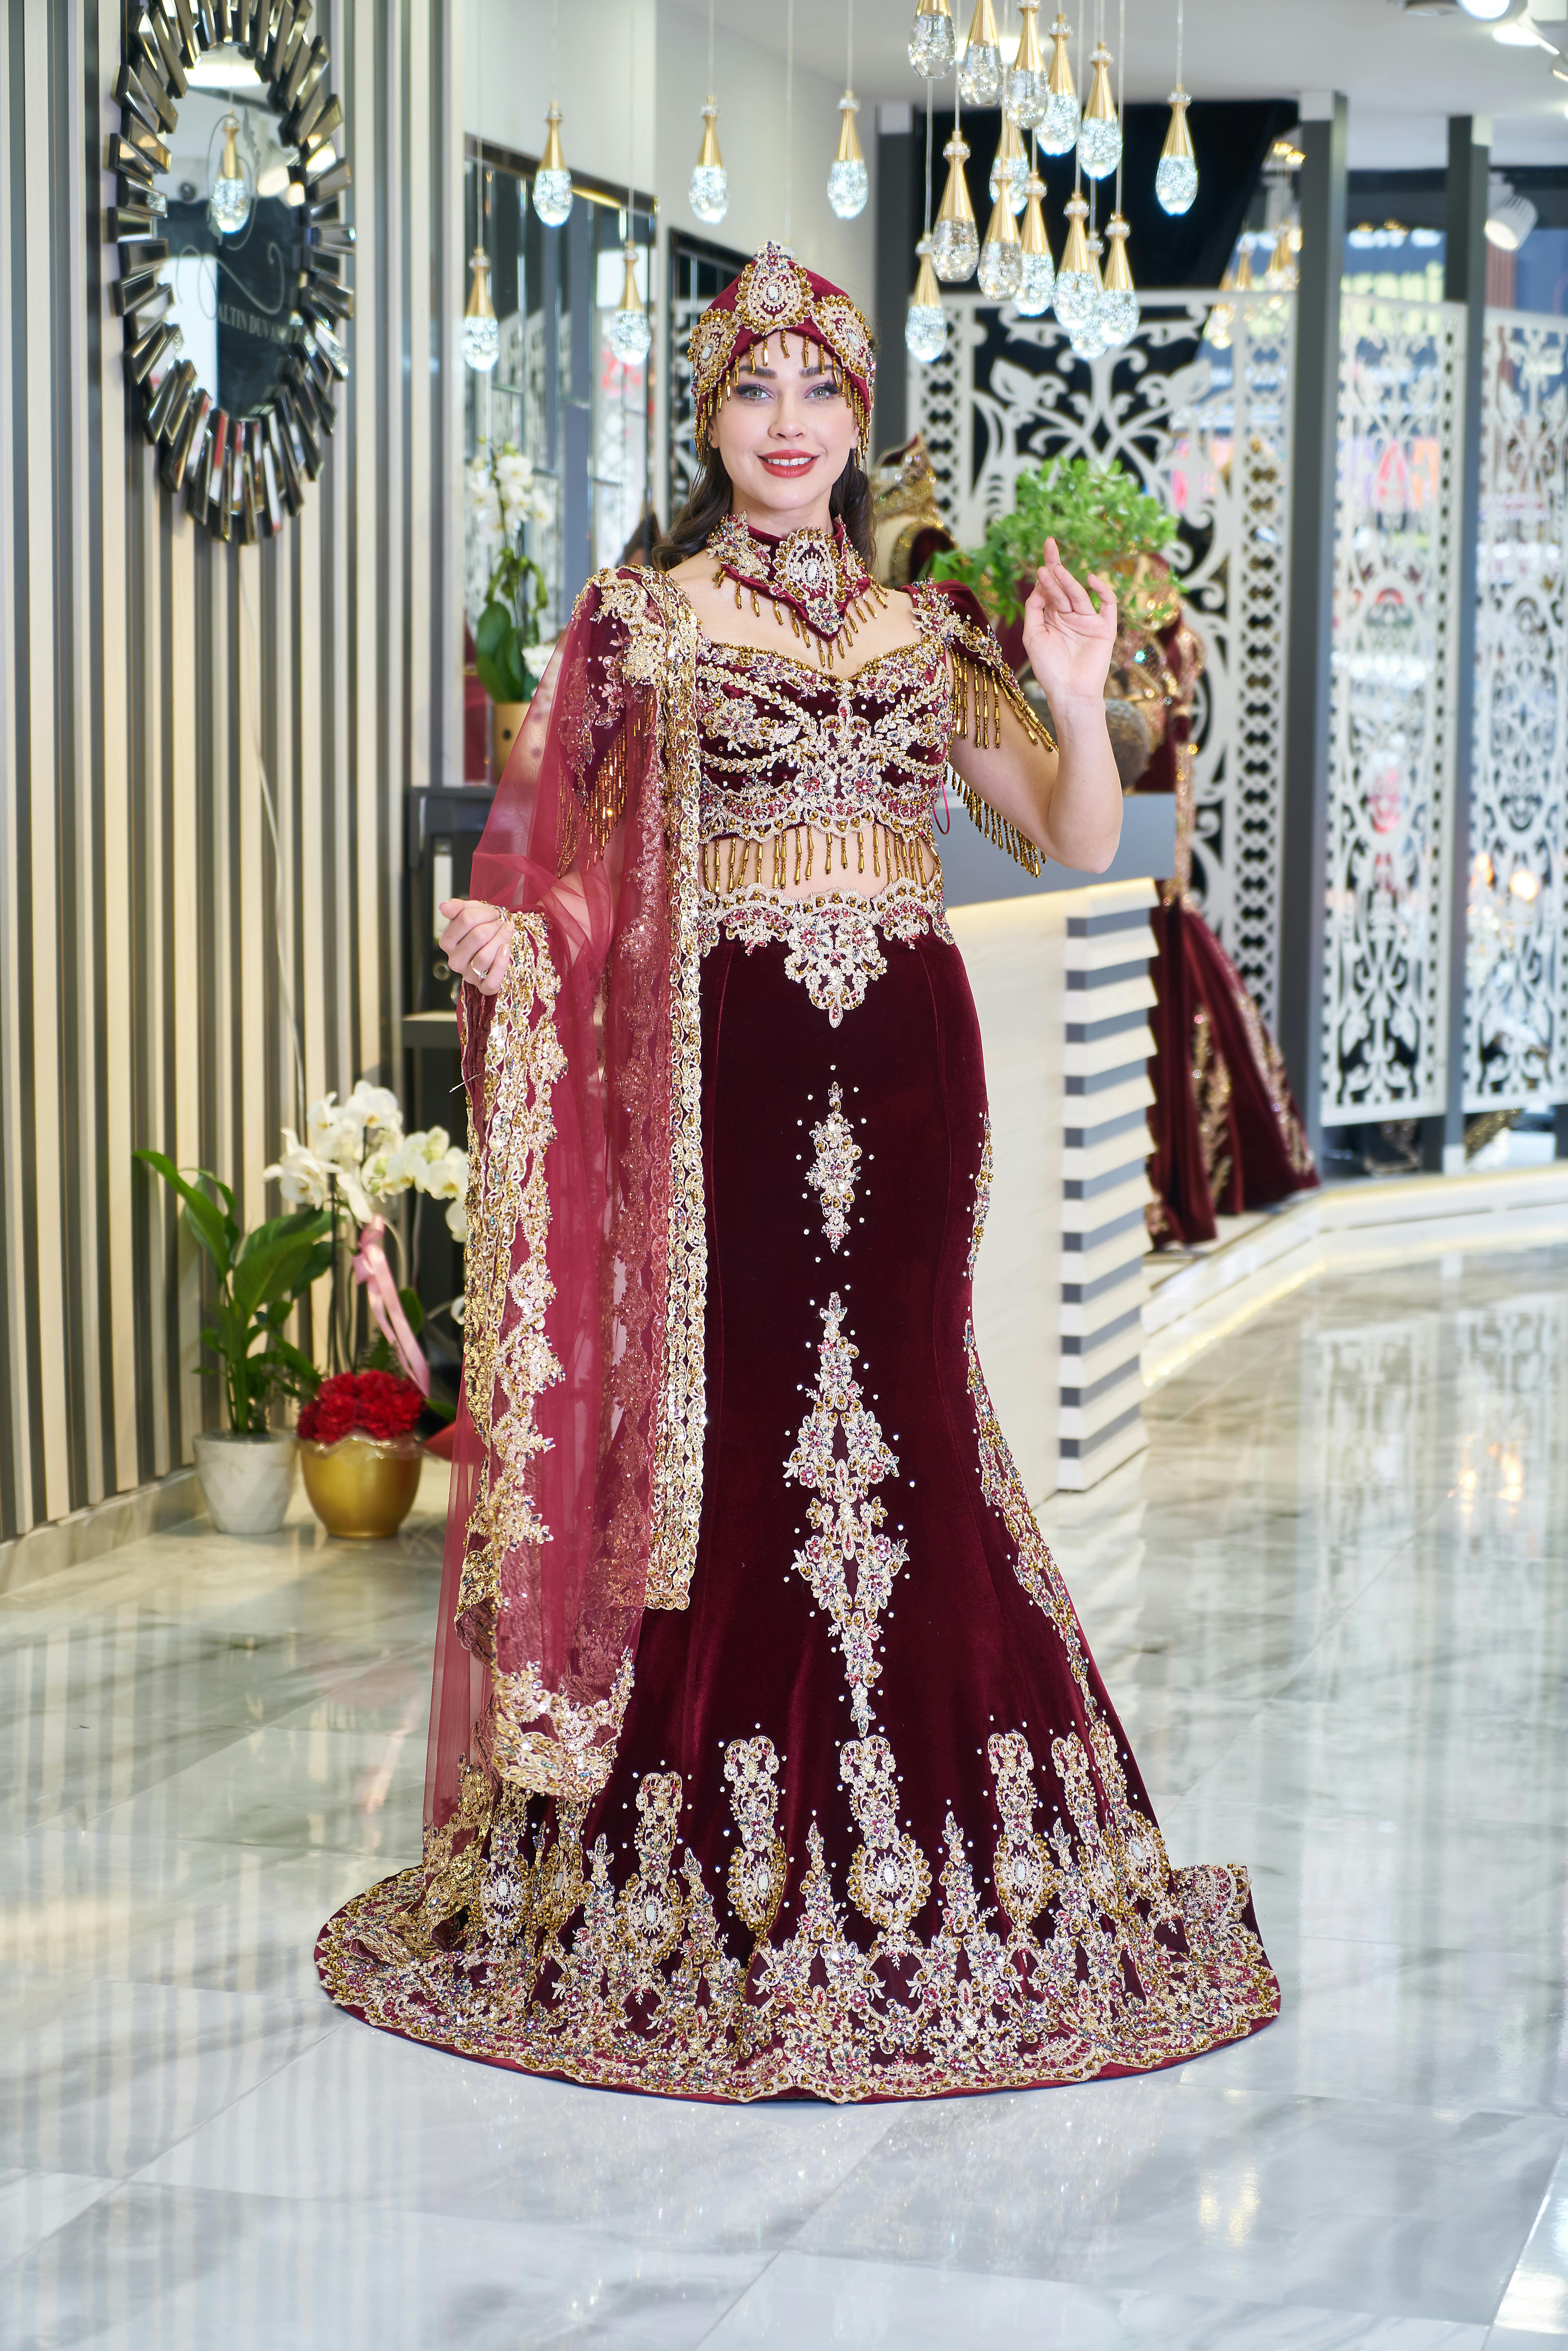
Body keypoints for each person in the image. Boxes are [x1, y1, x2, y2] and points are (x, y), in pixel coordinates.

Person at [316, 245, 1278, 2100]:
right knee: (743, 1418)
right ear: (708, 414)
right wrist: (531, 942)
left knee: (909, 1411)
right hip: (731, 1084)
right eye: (753, 391)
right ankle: (701, 1871)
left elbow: (1073, 839)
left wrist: (1078, 697)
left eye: (818, 393)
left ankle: (956, 1841)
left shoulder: (926, 634)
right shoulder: (645, 621)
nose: (786, 424)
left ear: (856, 419)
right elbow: (583, 867)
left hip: (913, 1075)